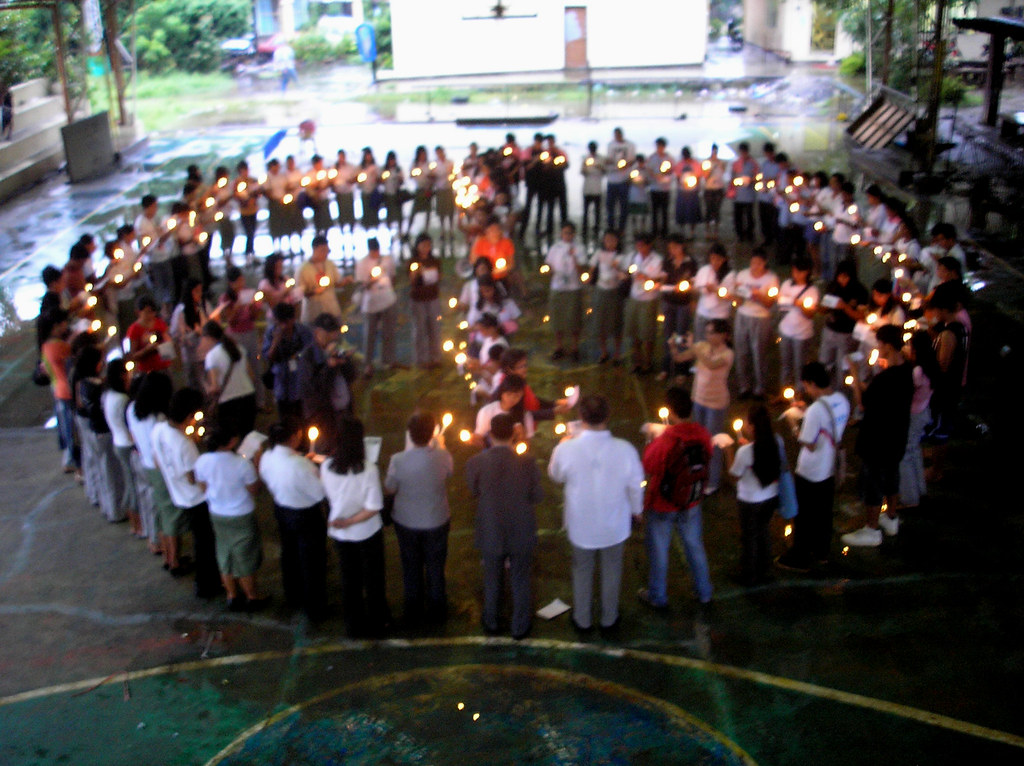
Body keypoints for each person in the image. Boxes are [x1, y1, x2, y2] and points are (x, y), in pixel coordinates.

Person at [548, 394, 644, 634]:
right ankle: (609, 619)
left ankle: (583, 619)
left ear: (581, 417)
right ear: (608, 417)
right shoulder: (625, 450)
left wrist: (561, 445)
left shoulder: (567, 448)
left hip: (581, 525)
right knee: (612, 568)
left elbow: (555, 476)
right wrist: (637, 511)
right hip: (615, 525)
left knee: (582, 569)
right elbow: (635, 485)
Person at [466, 412, 543, 639]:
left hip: (491, 528)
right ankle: (520, 626)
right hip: (521, 530)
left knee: (492, 578)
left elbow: (473, 491)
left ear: (490, 434)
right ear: (514, 434)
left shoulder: (475, 462)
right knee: (520, 579)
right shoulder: (527, 462)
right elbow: (537, 495)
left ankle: (491, 621)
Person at [639, 387, 714, 610]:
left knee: (660, 551)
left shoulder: (666, 440)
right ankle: (704, 592)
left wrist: (650, 440)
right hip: (691, 500)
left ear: (670, 412)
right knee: (694, 545)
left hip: (663, 503)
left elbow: (649, 465)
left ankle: (658, 595)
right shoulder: (702, 434)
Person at [842, 325, 914, 547]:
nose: (877, 347)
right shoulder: (906, 371)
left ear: (889, 346)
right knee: (892, 475)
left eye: (880, 344)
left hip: (878, 438)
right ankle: (890, 517)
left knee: (873, 481)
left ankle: (871, 529)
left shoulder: (886, 379)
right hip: (897, 435)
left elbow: (863, 404)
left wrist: (854, 373)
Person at [775, 362, 850, 572]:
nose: (805, 391)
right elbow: (830, 423)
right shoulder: (841, 400)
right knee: (824, 513)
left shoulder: (817, 409)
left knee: (804, 515)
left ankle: (800, 556)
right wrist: (807, 412)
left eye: (806, 386)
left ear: (811, 383)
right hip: (829, 469)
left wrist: (793, 424)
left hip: (810, 470)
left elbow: (810, 443)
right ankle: (821, 552)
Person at [321, 414, 391, 638]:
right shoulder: (368, 469)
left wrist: (342, 523)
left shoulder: (326, 467)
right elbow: (373, 506)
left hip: (341, 536)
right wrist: (351, 521)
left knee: (349, 580)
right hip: (367, 532)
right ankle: (378, 622)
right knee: (373, 579)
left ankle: (353, 625)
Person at [385, 411, 454, 627]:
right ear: (432, 433)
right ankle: (437, 610)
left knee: (411, 565)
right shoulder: (443, 456)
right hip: (436, 519)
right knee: (435, 566)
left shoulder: (397, 460)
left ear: (409, 434)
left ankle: (413, 610)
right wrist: (440, 446)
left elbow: (390, 488)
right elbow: (449, 473)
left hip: (406, 522)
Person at [151, 387, 222, 597]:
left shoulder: (159, 429)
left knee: (201, 542)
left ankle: (206, 581)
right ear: (190, 414)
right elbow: (194, 479)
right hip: (197, 499)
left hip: (178, 494)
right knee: (206, 544)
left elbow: (157, 460)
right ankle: (207, 584)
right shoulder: (184, 445)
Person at [259, 420, 329, 622]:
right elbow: (319, 493)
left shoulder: (267, 457)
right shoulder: (299, 464)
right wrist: (315, 471)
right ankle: (315, 607)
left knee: (290, 555)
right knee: (312, 561)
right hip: (306, 515)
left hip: (282, 509)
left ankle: (293, 595)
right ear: (292, 438)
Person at [193, 427, 266, 611]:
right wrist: (257, 463)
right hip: (241, 514)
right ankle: (252, 597)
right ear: (232, 442)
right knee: (245, 557)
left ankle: (232, 595)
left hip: (217, 514)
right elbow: (254, 489)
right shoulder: (241, 465)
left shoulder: (202, 461)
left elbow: (202, 487)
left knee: (224, 554)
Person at [670, 319, 734, 494]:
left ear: (723, 335)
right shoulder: (702, 347)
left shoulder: (728, 354)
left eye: (712, 332)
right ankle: (697, 473)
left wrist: (696, 348)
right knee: (697, 439)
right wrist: (673, 347)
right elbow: (680, 358)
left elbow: (712, 364)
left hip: (716, 403)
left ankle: (712, 481)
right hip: (698, 399)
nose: (708, 336)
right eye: (707, 332)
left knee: (713, 441)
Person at [724, 405, 782, 586]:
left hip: (750, 501)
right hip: (771, 498)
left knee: (749, 537)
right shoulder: (775, 442)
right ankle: (766, 568)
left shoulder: (745, 452)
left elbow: (734, 475)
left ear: (752, 427)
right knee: (763, 531)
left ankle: (749, 574)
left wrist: (728, 451)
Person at [126, 372, 174, 558]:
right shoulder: (159, 418)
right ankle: (160, 543)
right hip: (156, 468)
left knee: (146, 500)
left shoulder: (132, 409)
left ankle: (151, 537)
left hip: (139, 460)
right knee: (161, 508)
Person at [300, 312, 356, 452]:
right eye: (330, 332)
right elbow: (314, 388)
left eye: (335, 332)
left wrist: (345, 362)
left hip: (344, 413)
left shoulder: (338, 350)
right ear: (318, 332)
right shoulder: (308, 357)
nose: (334, 336)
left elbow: (352, 376)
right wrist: (329, 367)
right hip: (323, 419)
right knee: (325, 453)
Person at [732, 247, 779, 399]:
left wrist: (758, 295)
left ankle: (760, 387)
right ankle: (744, 386)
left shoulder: (771, 279)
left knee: (759, 353)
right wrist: (739, 295)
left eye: (759, 263)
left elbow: (770, 303)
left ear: (764, 263)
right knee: (741, 352)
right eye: (753, 263)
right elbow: (738, 299)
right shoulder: (743, 275)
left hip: (761, 318)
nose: (755, 266)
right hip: (743, 315)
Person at [899, 331, 938, 510]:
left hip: (914, 415)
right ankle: (919, 490)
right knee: (914, 451)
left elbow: (907, 389)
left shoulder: (917, 370)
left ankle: (910, 498)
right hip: (924, 411)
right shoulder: (932, 366)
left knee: (905, 455)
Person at [102, 358, 140, 536]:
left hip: (117, 442)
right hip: (127, 445)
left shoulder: (107, 395)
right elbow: (130, 427)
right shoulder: (123, 400)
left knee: (128, 482)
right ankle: (136, 524)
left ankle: (134, 522)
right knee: (133, 486)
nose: (129, 376)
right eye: (126, 372)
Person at [818, 259, 868, 390]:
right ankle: (824, 389)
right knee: (824, 362)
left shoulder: (860, 291)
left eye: (845, 277)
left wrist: (845, 307)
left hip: (847, 335)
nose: (842, 280)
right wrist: (821, 306)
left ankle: (840, 392)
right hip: (830, 330)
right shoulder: (833, 287)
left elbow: (861, 316)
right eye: (840, 276)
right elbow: (823, 309)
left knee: (843, 367)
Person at [39, 308, 79, 476]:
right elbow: (73, 359)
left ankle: (69, 461)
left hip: (57, 390)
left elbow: (46, 369)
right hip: (67, 390)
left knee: (66, 428)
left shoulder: (46, 346)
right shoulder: (61, 346)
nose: (66, 325)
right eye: (64, 323)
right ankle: (76, 465)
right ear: (56, 326)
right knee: (73, 431)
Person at [202, 320, 257, 438]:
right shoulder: (239, 348)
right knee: (247, 438)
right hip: (248, 397)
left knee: (229, 440)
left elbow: (215, 388)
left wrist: (205, 386)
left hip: (228, 404)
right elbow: (251, 376)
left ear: (208, 337)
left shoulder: (212, 356)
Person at [355, 237, 399, 376]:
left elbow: (393, 276)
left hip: (387, 300)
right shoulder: (362, 263)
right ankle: (368, 363)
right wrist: (371, 280)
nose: (375, 253)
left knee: (389, 331)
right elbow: (361, 285)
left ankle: (388, 360)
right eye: (372, 251)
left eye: (377, 250)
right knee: (369, 333)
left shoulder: (387, 260)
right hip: (370, 303)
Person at [622, 233, 664, 374]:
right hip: (634, 298)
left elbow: (660, 280)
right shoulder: (633, 257)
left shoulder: (657, 260)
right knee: (634, 332)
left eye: (642, 245)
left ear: (649, 245)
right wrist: (626, 274)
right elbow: (626, 271)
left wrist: (645, 278)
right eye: (637, 245)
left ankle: (648, 361)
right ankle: (637, 361)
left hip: (649, 299)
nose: (639, 248)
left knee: (647, 333)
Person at [263, 302, 313, 418]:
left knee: (302, 416)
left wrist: (297, 357)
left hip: (300, 381)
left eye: (285, 322)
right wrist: (275, 342)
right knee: (284, 415)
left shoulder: (303, 332)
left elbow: (310, 354)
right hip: (281, 381)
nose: (283, 326)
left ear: (293, 319)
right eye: (279, 322)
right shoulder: (271, 332)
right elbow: (268, 357)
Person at [777, 257, 819, 394]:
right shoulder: (787, 284)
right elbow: (780, 304)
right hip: (786, 330)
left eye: (799, 272)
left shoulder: (812, 291)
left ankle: (800, 392)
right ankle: (786, 391)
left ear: (807, 272)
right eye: (794, 271)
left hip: (802, 333)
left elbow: (810, 314)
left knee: (800, 364)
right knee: (785, 363)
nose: (795, 274)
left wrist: (799, 304)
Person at [544, 222, 585, 362]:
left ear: (574, 234)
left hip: (573, 288)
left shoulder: (579, 248)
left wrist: (575, 258)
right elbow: (548, 265)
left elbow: (582, 270)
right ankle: (559, 346)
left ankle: (575, 347)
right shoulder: (555, 248)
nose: (567, 235)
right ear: (561, 233)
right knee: (557, 318)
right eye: (565, 232)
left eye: (569, 232)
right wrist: (549, 270)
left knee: (574, 319)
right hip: (557, 287)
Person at [659, 234, 697, 381]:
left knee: (681, 336)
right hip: (669, 302)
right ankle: (666, 368)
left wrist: (689, 294)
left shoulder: (690, 263)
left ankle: (682, 370)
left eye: (674, 247)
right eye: (670, 248)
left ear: (682, 246)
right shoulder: (667, 261)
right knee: (668, 335)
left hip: (683, 304)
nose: (672, 250)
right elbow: (663, 280)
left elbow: (692, 284)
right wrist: (659, 285)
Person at [588, 230, 626, 364]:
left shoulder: (621, 256)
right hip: (600, 291)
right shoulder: (598, 254)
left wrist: (618, 269)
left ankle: (617, 353)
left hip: (615, 292)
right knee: (600, 322)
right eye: (607, 240)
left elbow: (625, 273)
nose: (609, 243)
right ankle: (604, 351)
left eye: (613, 240)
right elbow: (592, 269)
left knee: (616, 322)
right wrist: (589, 277)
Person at [408, 233, 443, 368]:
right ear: (417, 246)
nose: (426, 248)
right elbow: (412, 281)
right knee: (420, 329)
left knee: (434, 327)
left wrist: (434, 275)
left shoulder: (435, 261)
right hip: (418, 299)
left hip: (432, 297)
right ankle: (421, 358)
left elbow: (439, 277)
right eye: (423, 245)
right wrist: (416, 274)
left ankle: (435, 356)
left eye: (428, 245)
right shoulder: (413, 262)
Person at [170, 279, 212, 390]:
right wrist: (193, 334)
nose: (200, 294)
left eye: (201, 291)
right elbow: (177, 336)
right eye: (196, 291)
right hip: (193, 357)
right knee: (197, 387)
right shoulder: (180, 311)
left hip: (208, 353)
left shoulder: (204, 305)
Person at [474, 373, 534, 445]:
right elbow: (479, 436)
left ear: (522, 396)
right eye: (509, 394)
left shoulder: (525, 415)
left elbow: (528, 442)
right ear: (502, 392)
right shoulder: (487, 411)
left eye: (517, 396)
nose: (512, 399)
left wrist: (521, 436)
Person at [692, 242, 735, 341]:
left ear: (724, 259)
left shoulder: (730, 275)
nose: (715, 262)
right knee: (700, 344)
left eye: (718, 259)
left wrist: (715, 290)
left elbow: (730, 296)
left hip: (719, 316)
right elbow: (696, 288)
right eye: (712, 259)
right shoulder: (704, 270)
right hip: (702, 313)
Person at [298, 235, 346, 323]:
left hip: (331, 309)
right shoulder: (303, 269)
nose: (325, 254)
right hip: (313, 312)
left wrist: (345, 281)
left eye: (327, 251)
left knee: (336, 334)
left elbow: (337, 283)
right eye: (322, 251)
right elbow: (299, 293)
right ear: (314, 249)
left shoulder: (330, 264)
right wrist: (314, 291)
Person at [126, 296, 172, 374]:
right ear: (139, 312)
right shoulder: (134, 330)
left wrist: (165, 344)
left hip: (163, 367)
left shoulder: (160, 323)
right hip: (146, 370)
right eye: (147, 312)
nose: (151, 315)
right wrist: (146, 350)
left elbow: (168, 348)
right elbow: (132, 356)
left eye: (153, 312)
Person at [605, 127, 636, 233]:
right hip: (612, 180)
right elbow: (608, 159)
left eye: (619, 135)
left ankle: (622, 228)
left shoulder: (630, 145)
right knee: (610, 206)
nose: (617, 137)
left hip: (624, 179)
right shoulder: (610, 145)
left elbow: (632, 160)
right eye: (615, 135)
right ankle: (611, 227)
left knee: (624, 205)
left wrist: (625, 165)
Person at [730, 141, 758, 242]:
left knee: (749, 216)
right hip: (738, 194)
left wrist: (751, 180)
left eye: (744, 152)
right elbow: (732, 177)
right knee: (738, 216)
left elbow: (758, 176)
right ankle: (740, 234)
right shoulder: (736, 163)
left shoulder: (753, 163)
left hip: (749, 194)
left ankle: (750, 234)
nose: (743, 154)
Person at [580, 141, 605, 243]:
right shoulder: (585, 158)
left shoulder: (601, 159)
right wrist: (585, 167)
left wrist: (599, 167)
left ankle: (597, 228)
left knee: (597, 211)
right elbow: (582, 172)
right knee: (586, 211)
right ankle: (585, 228)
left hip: (597, 188)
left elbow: (604, 171)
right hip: (587, 188)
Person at [702, 144, 727, 240]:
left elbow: (723, 171)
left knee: (717, 210)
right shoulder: (706, 162)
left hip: (719, 188)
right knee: (708, 210)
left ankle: (716, 232)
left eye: (716, 151)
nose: (714, 153)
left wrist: (719, 164)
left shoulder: (721, 162)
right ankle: (707, 232)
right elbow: (705, 176)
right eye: (713, 151)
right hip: (709, 188)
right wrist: (711, 168)